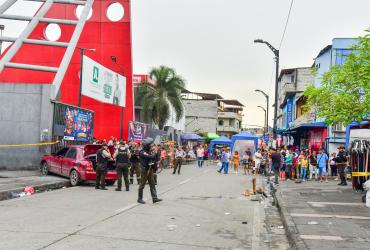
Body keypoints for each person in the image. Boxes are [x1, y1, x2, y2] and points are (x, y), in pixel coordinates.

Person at [137, 138, 162, 204]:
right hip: (144, 170)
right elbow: (151, 157)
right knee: (142, 184)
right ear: (147, 146)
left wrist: (156, 153)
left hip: (150, 169)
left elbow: (155, 159)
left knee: (152, 184)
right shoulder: (142, 152)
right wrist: (155, 152)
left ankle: (154, 198)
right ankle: (139, 199)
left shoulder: (149, 152)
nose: (152, 147)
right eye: (151, 145)